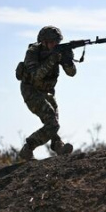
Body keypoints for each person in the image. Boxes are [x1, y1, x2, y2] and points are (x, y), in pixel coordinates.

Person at [17, 26, 76, 160]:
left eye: (57, 42)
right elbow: (36, 75)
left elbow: (71, 73)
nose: (55, 44)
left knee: (53, 121)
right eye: (52, 42)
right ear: (43, 42)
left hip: (47, 92)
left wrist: (67, 61)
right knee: (52, 123)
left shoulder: (57, 52)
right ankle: (28, 147)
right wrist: (52, 60)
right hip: (30, 91)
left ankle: (57, 145)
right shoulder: (33, 52)